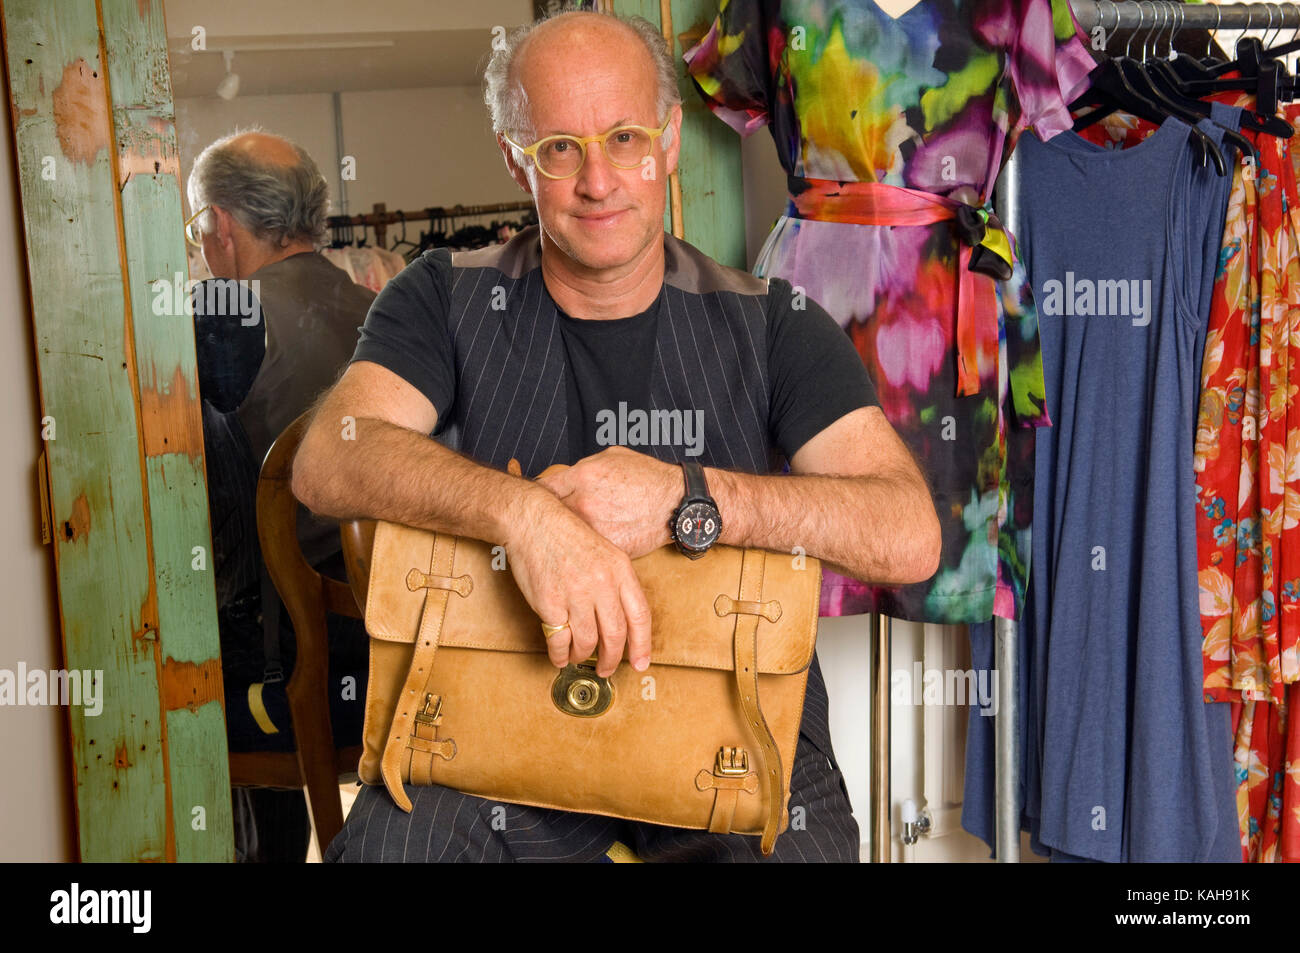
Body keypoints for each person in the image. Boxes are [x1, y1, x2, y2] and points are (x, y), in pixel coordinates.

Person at [292, 7, 941, 862]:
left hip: (730, 731)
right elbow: (329, 455)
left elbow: (908, 535)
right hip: (492, 746)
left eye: (626, 137)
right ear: (513, 158)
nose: (599, 179)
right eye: (559, 147)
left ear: (670, 140)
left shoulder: (775, 321)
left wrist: (689, 497)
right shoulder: (441, 297)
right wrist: (527, 519)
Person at [186, 130, 375, 861]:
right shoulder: (380, 307)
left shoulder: (219, 314)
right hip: (402, 630)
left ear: (220, 225)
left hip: (298, 658)